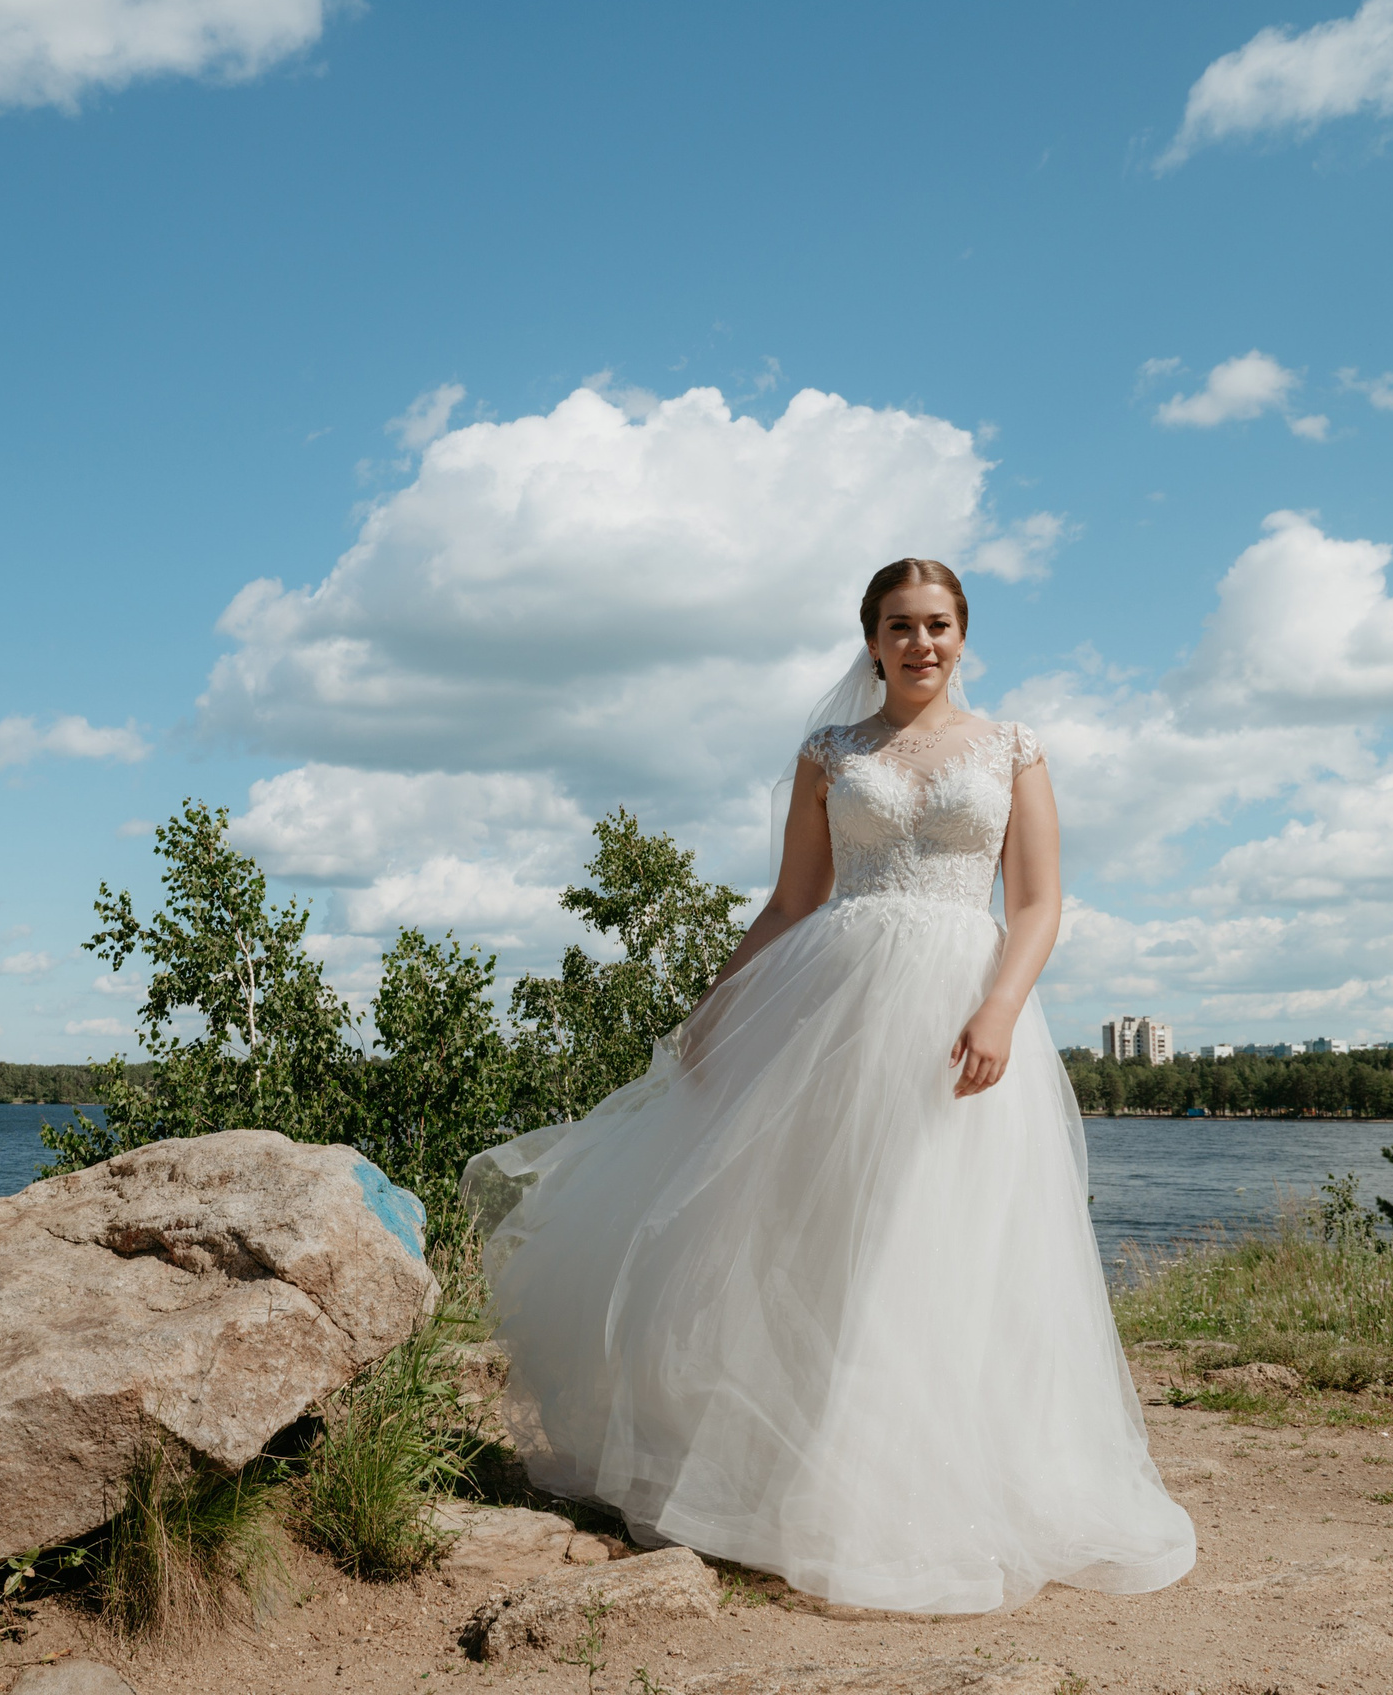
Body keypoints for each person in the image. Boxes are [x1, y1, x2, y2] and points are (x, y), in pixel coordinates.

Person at [462, 558, 1196, 1613]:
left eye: (937, 624)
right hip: (833, 1010)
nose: (920, 643)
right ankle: (801, 1478)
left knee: (936, 1237)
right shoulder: (830, 752)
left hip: (960, 1009)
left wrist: (997, 1008)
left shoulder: (1012, 748)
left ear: (962, 633)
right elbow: (791, 901)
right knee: (822, 1233)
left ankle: (943, 1484)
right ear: (871, 638)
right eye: (899, 626)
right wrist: (715, 1009)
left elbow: (1037, 903)